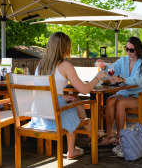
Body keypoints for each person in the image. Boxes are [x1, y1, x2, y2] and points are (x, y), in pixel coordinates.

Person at [30, 32, 106, 160]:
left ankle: (92, 134)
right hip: (54, 114)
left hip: (39, 112)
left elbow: (40, 91)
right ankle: (72, 150)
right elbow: (84, 90)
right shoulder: (65, 65)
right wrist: (98, 77)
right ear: (65, 48)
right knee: (73, 106)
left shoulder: (41, 64)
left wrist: (61, 97)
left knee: (73, 100)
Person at [97, 36, 142, 145]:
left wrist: (122, 79)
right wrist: (104, 66)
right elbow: (112, 68)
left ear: (137, 50)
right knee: (110, 101)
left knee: (120, 103)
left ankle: (120, 136)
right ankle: (109, 134)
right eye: (127, 49)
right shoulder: (123, 60)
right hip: (125, 92)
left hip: (139, 94)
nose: (128, 52)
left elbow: (138, 81)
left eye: (131, 50)